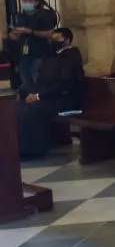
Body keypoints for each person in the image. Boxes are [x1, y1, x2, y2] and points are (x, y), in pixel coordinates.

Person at [17, 28, 84, 157]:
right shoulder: (53, 56)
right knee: (22, 108)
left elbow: (64, 83)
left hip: (65, 98)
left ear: (67, 40)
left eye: (57, 39)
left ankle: (35, 150)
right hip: (50, 96)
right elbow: (42, 79)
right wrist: (33, 93)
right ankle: (23, 149)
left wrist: (38, 96)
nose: (54, 42)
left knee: (34, 110)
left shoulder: (72, 56)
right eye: (52, 39)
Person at [8, 0, 58, 92]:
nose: (26, 3)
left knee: (38, 81)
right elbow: (13, 36)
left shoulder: (44, 16)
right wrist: (14, 33)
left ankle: (40, 101)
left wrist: (31, 31)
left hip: (39, 54)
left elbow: (50, 34)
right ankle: (30, 102)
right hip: (24, 55)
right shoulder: (21, 17)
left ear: (36, 2)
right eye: (24, 0)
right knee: (26, 81)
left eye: (29, 1)